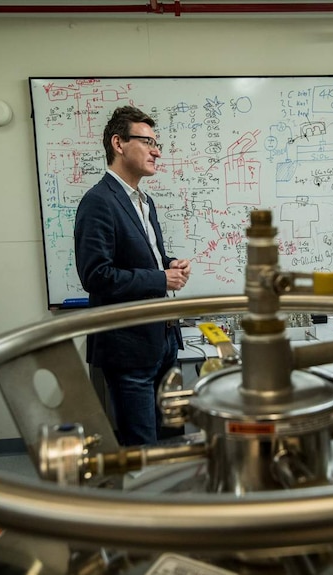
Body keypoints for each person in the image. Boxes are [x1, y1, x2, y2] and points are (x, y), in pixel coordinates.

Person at [74, 105, 192, 446]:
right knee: (143, 448)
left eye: (158, 143)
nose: (157, 151)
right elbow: (96, 275)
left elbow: (144, 257)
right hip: (129, 349)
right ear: (118, 143)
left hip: (165, 338)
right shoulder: (99, 201)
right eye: (148, 141)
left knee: (171, 440)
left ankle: (171, 500)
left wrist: (169, 265)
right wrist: (160, 280)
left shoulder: (145, 201)